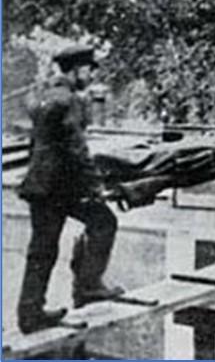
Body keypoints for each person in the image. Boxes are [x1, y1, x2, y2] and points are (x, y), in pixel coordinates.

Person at [17, 45, 124, 333]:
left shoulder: (43, 97)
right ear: (76, 70)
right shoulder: (70, 100)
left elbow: (36, 144)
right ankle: (88, 286)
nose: (90, 77)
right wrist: (96, 186)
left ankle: (30, 313)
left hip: (42, 185)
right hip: (60, 188)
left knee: (42, 250)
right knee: (104, 221)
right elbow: (78, 150)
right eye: (88, 70)